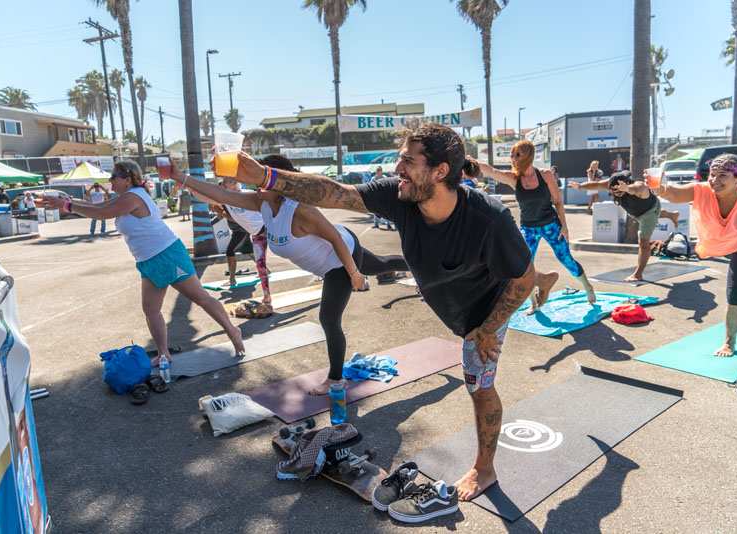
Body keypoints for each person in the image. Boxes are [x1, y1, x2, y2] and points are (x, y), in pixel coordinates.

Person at [225, 124, 556, 504]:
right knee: (524, 274)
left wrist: (487, 329)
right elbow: (335, 192)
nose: (397, 167)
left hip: (484, 308)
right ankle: (545, 279)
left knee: (478, 385)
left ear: (440, 171)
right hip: (455, 288)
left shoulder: (488, 219)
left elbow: (519, 280)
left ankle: (485, 468)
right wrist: (264, 176)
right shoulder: (400, 197)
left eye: (407, 160)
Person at [175, 154, 409, 396]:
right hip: (333, 257)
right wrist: (179, 177)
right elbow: (221, 195)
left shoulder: (300, 210)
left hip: (339, 260)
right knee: (381, 263)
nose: (257, 184)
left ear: (280, 183)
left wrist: (354, 273)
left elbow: (335, 238)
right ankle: (418, 265)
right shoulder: (262, 203)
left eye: (262, 178)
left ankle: (335, 381)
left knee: (329, 319)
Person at [35, 160, 245, 362]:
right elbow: (98, 207)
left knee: (201, 298)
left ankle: (232, 331)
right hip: (148, 261)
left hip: (167, 255)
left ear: (128, 179)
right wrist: (65, 203)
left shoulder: (133, 197)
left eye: (113, 177)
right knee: (151, 310)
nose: (110, 181)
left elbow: (103, 213)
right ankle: (164, 353)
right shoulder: (125, 196)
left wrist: (68, 206)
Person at [478, 140, 596, 308]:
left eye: (517, 154)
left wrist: (564, 226)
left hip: (551, 225)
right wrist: (472, 162)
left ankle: (587, 287)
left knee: (565, 258)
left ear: (528, 156)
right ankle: (533, 301)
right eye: (512, 155)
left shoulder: (545, 175)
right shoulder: (514, 178)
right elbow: (491, 171)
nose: (512, 158)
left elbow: (558, 201)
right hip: (528, 229)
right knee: (524, 266)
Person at [653, 153, 737, 357]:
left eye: (722, 176)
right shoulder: (703, 191)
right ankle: (729, 342)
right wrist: (660, 188)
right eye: (712, 174)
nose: (714, 180)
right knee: (735, 299)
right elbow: (674, 194)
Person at [570, 171, 680, 282]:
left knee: (643, 242)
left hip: (648, 213)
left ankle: (638, 274)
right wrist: (580, 186)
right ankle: (672, 215)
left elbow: (636, 189)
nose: (616, 193)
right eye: (613, 190)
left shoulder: (639, 186)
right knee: (654, 215)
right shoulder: (612, 184)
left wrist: (627, 189)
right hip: (638, 212)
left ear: (626, 183)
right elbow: (596, 185)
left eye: (618, 190)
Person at [209, 177, 272, 308]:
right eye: (228, 182)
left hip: (269, 227)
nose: (231, 184)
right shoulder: (225, 200)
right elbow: (207, 196)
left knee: (290, 249)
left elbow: (268, 201)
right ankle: (267, 295)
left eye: (233, 181)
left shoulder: (246, 194)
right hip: (256, 234)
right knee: (260, 265)